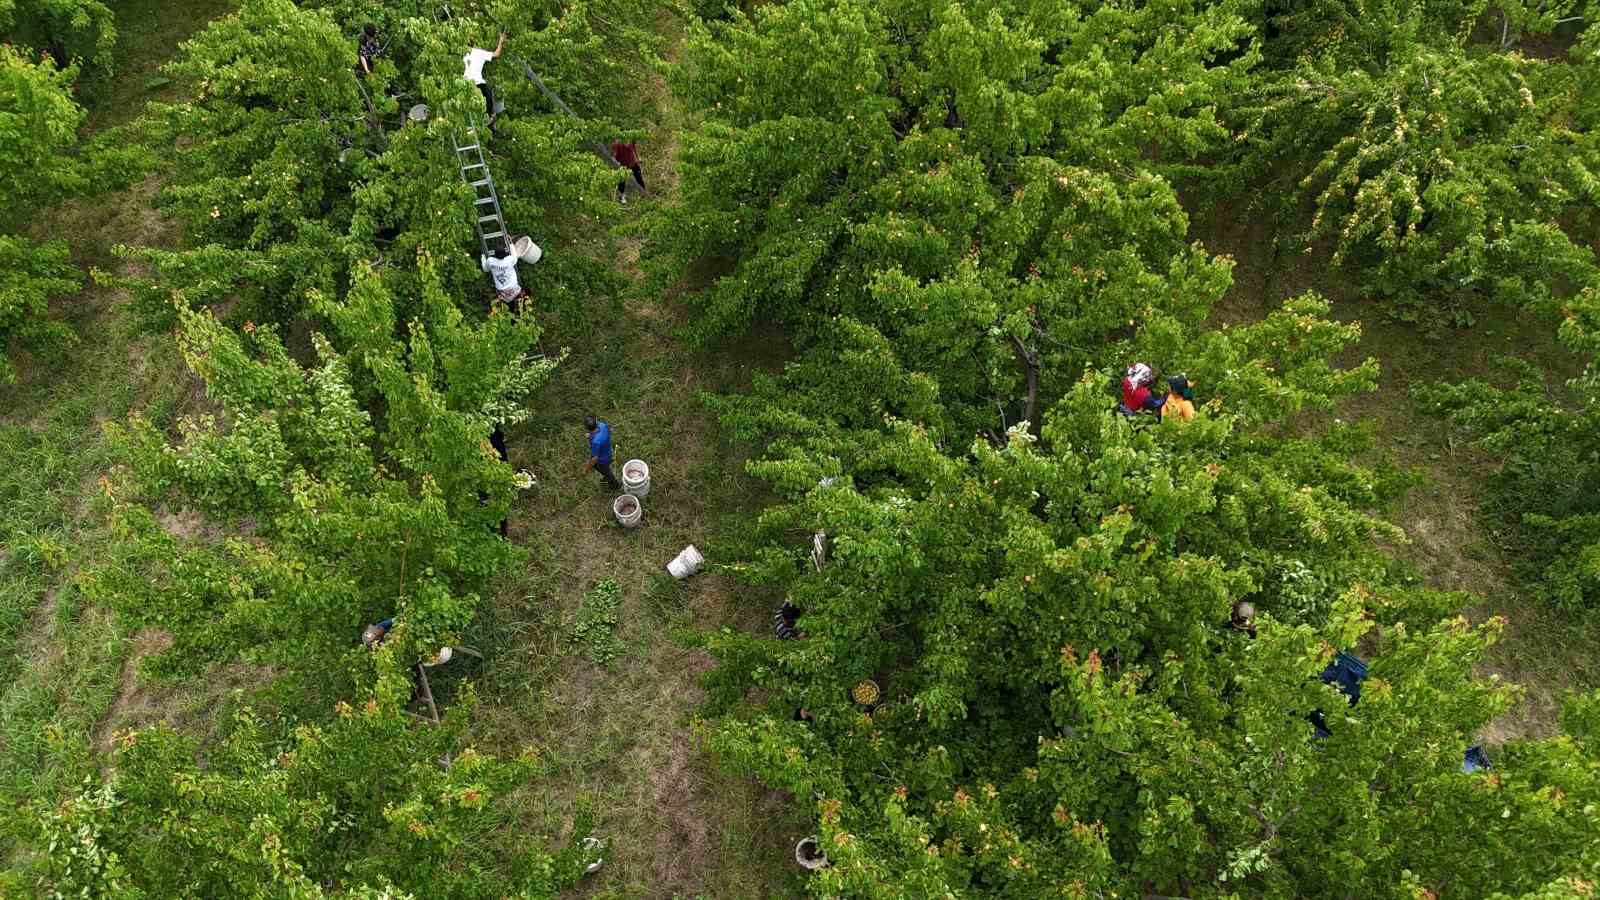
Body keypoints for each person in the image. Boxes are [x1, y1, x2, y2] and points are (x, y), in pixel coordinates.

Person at [462, 33, 508, 121]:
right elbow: (496, 54)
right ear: (474, 44)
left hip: (465, 84)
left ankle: (471, 120)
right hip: (477, 83)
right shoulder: (478, 52)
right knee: (488, 95)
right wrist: (501, 42)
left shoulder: (463, 53)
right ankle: (489, 115)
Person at [583, 415, 620, 490]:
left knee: (606, 472)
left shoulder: (595, 442)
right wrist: (591, 435)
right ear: (596, 421)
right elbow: (608, 431)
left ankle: (615, 486)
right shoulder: (602, 425)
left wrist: (586, 469)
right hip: (608, 451)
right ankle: (607, 477)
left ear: (587, 428)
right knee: (603, 470)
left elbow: (594, 459)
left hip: (603, 460)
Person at [611, 139, 645, 204]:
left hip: (633, 163)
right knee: (622, 182)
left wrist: (637, 158)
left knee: (639, 177)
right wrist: (616, 163)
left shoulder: (630, 138)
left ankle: (643, 193)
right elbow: (614, 156)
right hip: (623, 166)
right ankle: (622, 197)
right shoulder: (617, 144)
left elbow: (634, 148)